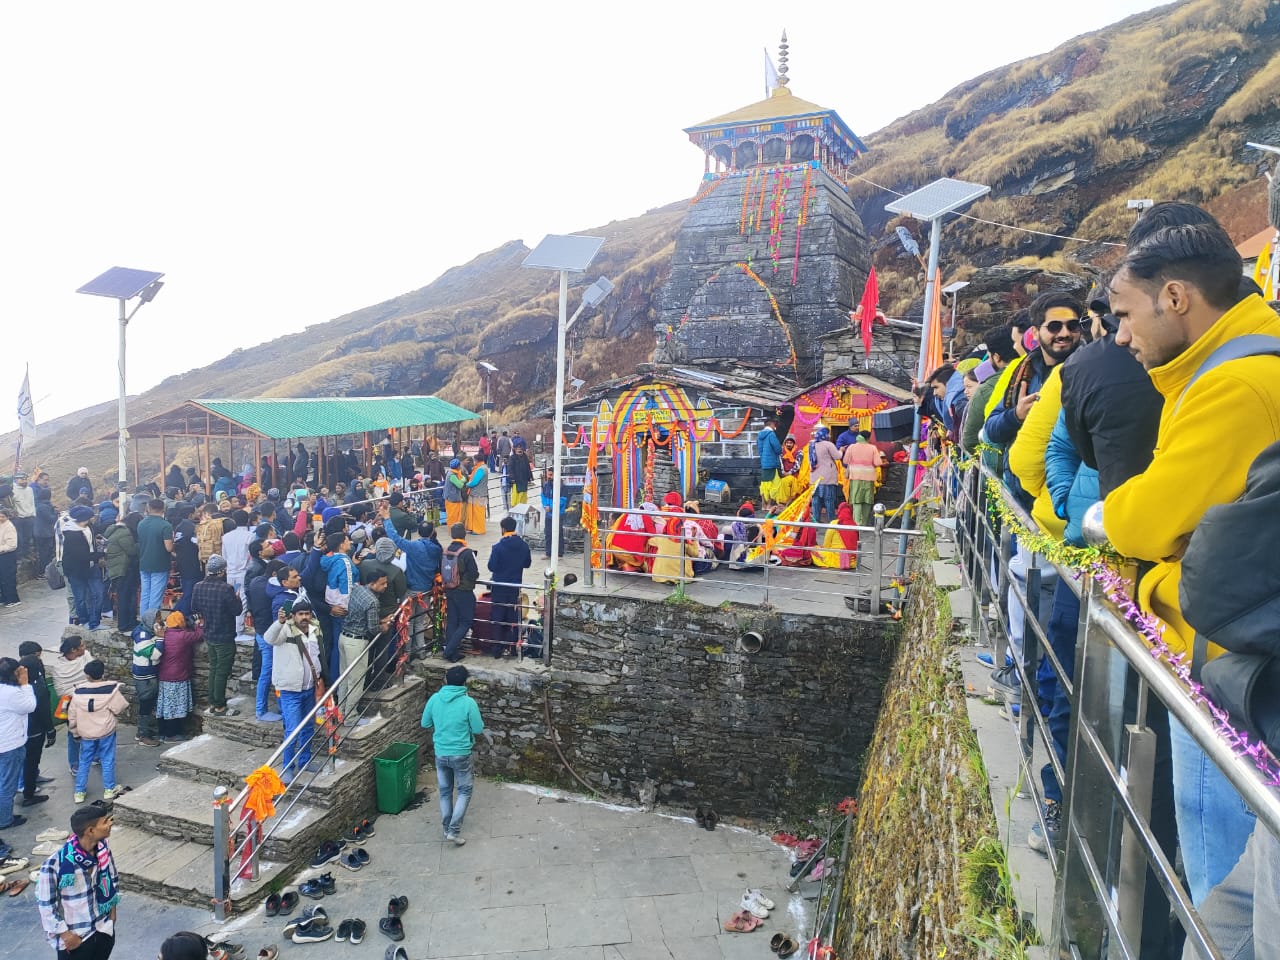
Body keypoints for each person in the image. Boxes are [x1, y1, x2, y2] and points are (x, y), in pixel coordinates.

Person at [1104, 220, 1280, 908]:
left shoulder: (1234, 384)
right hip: (1239, 663)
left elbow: (1147, 520)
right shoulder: (1233, 363)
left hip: (1235, 670)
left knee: (1220, 878)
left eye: (1125, 314)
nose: (1119, 336)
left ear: (1174, 297)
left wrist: (1134, 552)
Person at [36, 804, 120, 960]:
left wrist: (112, 916)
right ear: (90, 831)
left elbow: (113, 880)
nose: (110, 824)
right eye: (105, 822)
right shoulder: (55, 864)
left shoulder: (103, 851)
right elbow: (46, 906)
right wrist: (67, 936)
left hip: (103, 930)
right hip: (76, 939)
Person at [421, 665, 486, 844]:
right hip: (461, 753)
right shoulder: (468, 703)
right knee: (464, 790)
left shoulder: (434, 699)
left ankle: (446, 828)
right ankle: (454, 830)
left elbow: (425, 723)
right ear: (465, 682)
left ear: (446, 680)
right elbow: (479, 728)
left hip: (441, 752)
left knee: (445, 791)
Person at [264, 600, 322, 785]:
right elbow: (269, 638)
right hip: (290, 690)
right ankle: (287, 767)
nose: (304, 617)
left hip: (309, 688)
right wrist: (279, 622)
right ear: (294, 616)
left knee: (307, 727)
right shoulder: (284, 630)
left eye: (307, 613)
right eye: (300, 614)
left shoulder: (314, 630)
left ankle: (305, 760)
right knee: (292, 730)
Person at [69, 660, 128, 804]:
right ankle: (109, 789)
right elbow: (120, 707)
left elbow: (72, 715)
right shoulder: (111, 690)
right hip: (106, 731)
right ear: (103, 673)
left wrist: (75, 732)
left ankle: (79, 792)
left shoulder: (77, 692)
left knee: (84, 761)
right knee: (107, 759)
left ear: (87, 675)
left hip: (86, 734)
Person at [191, 555, 243, 717]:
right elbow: (236, 611)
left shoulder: (198, 586)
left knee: (214, 668)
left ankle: (213, 701)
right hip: (224, 634)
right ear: (221, 571)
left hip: (209, 632)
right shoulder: (226, 589)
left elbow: (194, 607)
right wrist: (237, 598)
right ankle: (220, 705)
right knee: (222, 670)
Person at [336, 572, 385, 715]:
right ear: (373, 583)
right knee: (356, 681)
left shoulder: (357, 589)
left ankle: (340, 711)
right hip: (356, 642)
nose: (385, 586)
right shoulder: (373, 601)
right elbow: (373, 629)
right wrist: (383, 626)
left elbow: (359, 615)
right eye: (382, 583)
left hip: (344, 637)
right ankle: (350, 716)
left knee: (344, 678)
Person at [487, 516, 531, 658]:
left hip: (499, 587)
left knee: (498, 617)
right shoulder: (524, 546)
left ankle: (497, 649)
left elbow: (491, 566)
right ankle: (512, 646)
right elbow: (527, 564)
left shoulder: (498, 547)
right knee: (513, 616)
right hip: (514, 587)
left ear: (503, 529)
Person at [0, 657, 36, 830]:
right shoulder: (11, 693)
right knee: (7, 784)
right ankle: (5, 819)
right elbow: (30, 706)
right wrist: (25, 684)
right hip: (9, 745)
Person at [18, 641, 55, 808]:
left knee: (29, 759)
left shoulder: (16, 683)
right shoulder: (35, 686)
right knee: (31, 759)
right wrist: (50, 730)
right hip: (34, 729)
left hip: (23, 729)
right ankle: (28, 791)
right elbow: (43, 709)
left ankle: (31, 779)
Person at [154, 612, 201, 743]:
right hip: (177, 676)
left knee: (165, 706)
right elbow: (198, 635)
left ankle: (162, 732)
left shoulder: (164, 633)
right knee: (175, 707)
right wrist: (197, 624)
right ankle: (172, 734)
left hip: (164, 675)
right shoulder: (182, 636)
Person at [60, 506, 104, 630]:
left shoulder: (89, 527)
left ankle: (95, 622)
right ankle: (84, 620)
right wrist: (102, 554)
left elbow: (97, 532)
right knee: (80, 597)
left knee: (98, 593)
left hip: (91, 566)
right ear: (85, 518)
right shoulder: (71, 534)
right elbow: (82, 556)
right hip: (76, 570)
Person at [50, 636, 89, 774]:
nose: (85, 647)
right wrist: (81, 688)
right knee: (74, 733)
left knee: (94, 728)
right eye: (82, 645)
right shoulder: (59, 668)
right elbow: (62, 691)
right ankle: (74, 763)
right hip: (70, 703)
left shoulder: (86, 657)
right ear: (73, 649)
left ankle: (95, 756)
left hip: (88, 700)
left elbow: (94, 675)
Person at [441, 524, 478, 663]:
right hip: (464, 591)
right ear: (464, 535)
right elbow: (474, 573)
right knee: (466, 622)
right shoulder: (467, 552)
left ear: (451, 535)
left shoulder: (445, 551)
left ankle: (452, 653)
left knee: (452, 621)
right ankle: (449, 649)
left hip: (449, 590)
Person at [129, 610, 165, 747]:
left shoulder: (147, 630)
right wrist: (161, 638)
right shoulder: (142, 637)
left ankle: (145, 731)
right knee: (146, 704)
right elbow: (154, 655)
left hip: (149, 673)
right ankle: (143, 735)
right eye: (157, 619)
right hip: (145, 676)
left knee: (149, 703)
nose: (160, 621)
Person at [136, 500, 173, 617]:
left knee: (145, 594)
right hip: (160, 564)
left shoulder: (141, 524)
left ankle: (143, 621)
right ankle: (151, 624)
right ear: (163, 509)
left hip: (144, 563)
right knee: (155, 597)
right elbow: (169, 547)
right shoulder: (165, 525)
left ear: (148, 508)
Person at [102, 515, 138, 633]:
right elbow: (132, 550)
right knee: (126, 597)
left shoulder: (114, 530)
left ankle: (128, 622)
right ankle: (125, 624)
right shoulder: (125, 533)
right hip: (123, 569)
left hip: (116, 569)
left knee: (123, 596)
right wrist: (141, 543)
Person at [841, 432, 884, 527]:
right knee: (867, 499)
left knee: (856, 499)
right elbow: (878, 463)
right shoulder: (873, 448)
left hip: (855, 476)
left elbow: (845, 460)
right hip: (869, 477)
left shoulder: (851, 447)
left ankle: (856, 522)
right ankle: (864, 522)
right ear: (868, 438)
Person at [807, 426, 841, 525]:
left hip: (814, 477)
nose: (830, 435)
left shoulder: (811, 444)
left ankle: (815, 520)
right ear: (825, 435)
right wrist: (841, 450)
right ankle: (831, 520)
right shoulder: (828, 444)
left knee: (816, 500)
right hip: (827, 477)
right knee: (829, 499)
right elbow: (837, 456)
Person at [756, 415, 783, 510]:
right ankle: (769, 505)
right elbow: (778, 449)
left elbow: (759, 450)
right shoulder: (771, 434)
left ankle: (763, 505)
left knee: (764, 485)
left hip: (764, 463)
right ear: (771, 425)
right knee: (775, 485)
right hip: (772, 463)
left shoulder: (759, 435)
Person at [540, 467, 566, 559]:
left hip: (558, 513)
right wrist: (545, 505)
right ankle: (548, 552)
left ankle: (559, 553)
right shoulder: (546, 485)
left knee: (558, 533)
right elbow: (543, 497)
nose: (549, 477)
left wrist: (551, 507)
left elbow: (562, 500)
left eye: (551, 475)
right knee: (548, 533)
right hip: (548, 513)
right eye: (548, 474)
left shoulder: (562, 486)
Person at [464, 456, 488, 536]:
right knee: (474, 512)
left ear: (477, 460)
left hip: (478, 494)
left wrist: (466, 484)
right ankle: (473, 528)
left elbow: (474, 482)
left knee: (478, 513)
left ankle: (478, 529)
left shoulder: (481, 469)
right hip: (478, 494)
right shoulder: (482, 467)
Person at [0, 508, 19, 607]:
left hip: (8, 555)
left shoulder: (9, 526)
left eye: (3, 516)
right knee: (2, 577)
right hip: (2, 555)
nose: (0, 518)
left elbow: (12, 545)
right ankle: (4, 597)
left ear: (7, 517)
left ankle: (13, 599)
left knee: (8, 577)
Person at [506, 441, 533, 508]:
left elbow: (528, 467)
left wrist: (530, 476)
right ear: (515, 450)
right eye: (517, 449)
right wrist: (512, 478)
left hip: (524, 480)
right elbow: (510, 469)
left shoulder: (525, 457)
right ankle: (515, 508)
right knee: (516, 496)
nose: (519, 450)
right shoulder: (512, 458)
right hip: (516, 481)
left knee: (524, 495)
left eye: (520, 449)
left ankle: (523, 507)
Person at [444, 459, 466, 530]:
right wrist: (463, 479)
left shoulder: (454, 473)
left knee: (456, 516)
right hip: (452, 499)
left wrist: (462, 479)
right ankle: (453, 530)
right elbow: (459, 485)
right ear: (458, 466)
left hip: (454, 498)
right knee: (453, 516)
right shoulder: (452, 475)